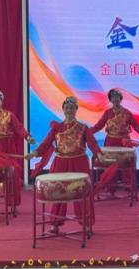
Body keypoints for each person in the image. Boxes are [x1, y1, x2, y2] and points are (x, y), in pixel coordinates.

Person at [25, 96, 102, 232]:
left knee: (82, 193)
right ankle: (55, 224)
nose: (69, 110)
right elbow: (45, 144)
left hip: (79, 163)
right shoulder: (57, 128)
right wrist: (34, 153)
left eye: (72, 108)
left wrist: (99, 153)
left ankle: (86, 224)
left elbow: (92, 143)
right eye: (66, 108)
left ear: (76, 110)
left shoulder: (83, 128)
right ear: (63, 110)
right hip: (60, 163)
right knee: (58, 193)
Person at [90, 88, 139, 195]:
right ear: (110, 99)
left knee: (127, 166)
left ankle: (129, 188)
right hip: (110, 142)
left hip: (124, 142)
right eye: (113, 97)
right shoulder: (107, 113)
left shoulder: (127, 113)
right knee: (110, 165)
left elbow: (136, 125)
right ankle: (110, 188)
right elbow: (99, 126)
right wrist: (88, 132)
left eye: (117, 97)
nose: (115, 99)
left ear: (120, 99)